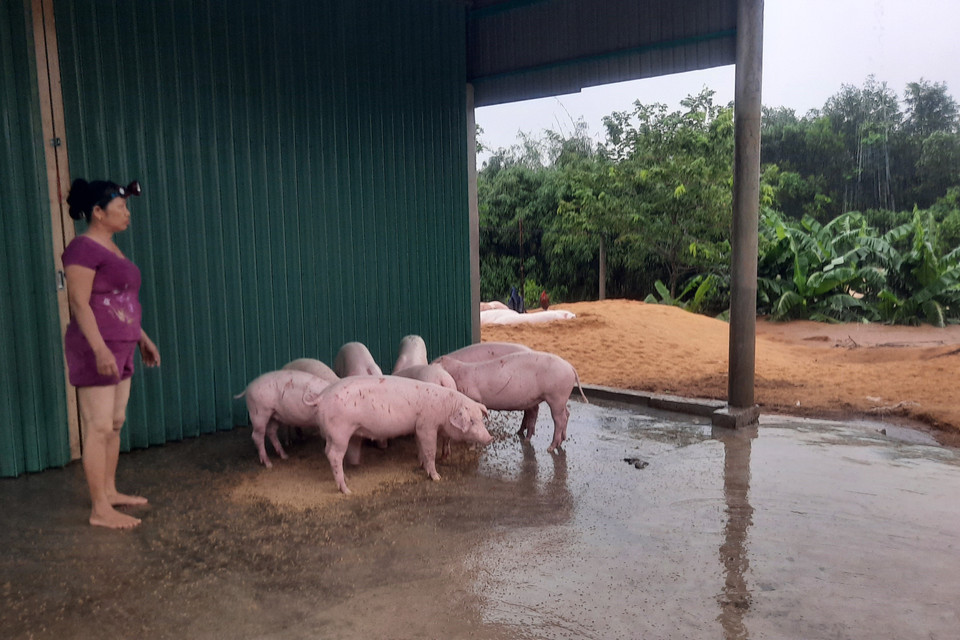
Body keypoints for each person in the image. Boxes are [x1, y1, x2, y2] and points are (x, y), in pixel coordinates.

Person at [63, 178, 160, 529]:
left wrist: (141, 337)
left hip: (121, 345)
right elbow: (79, 301)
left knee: (115, 422)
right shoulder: (82, 248)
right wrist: (100, 348)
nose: (127, 214)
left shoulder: (114, 249)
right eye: (120, 209)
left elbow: (123, 301)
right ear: (98, 213)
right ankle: (99, 509)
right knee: (99, 425)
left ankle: (110, 491)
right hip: (96, 348)